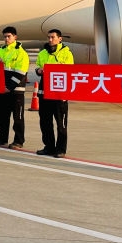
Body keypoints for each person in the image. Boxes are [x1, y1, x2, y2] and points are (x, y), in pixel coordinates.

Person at [35, 29, 74, 158]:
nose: (50, 40)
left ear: (60, 39)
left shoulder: (67, 53)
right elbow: (37, 66)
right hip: (44, 93)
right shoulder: (43, 53)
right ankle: (49, 147)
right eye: (49, 37)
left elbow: (69, 72)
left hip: (59, 94)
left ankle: (61, 149)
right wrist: (39, 70)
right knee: (45, 122)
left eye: (53, 37)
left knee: (61, 124)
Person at [0, 26, 29, 149]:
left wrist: (9, 87)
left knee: (17, 118)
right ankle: (2, 139)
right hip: (2, 90)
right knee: (2, 117)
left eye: (9, 36)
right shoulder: (0, 51)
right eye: (5, 37)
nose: (6, 39)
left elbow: (21, 73)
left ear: (15, 37)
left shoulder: (21, 53)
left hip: (16, 91)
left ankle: (18, 141)